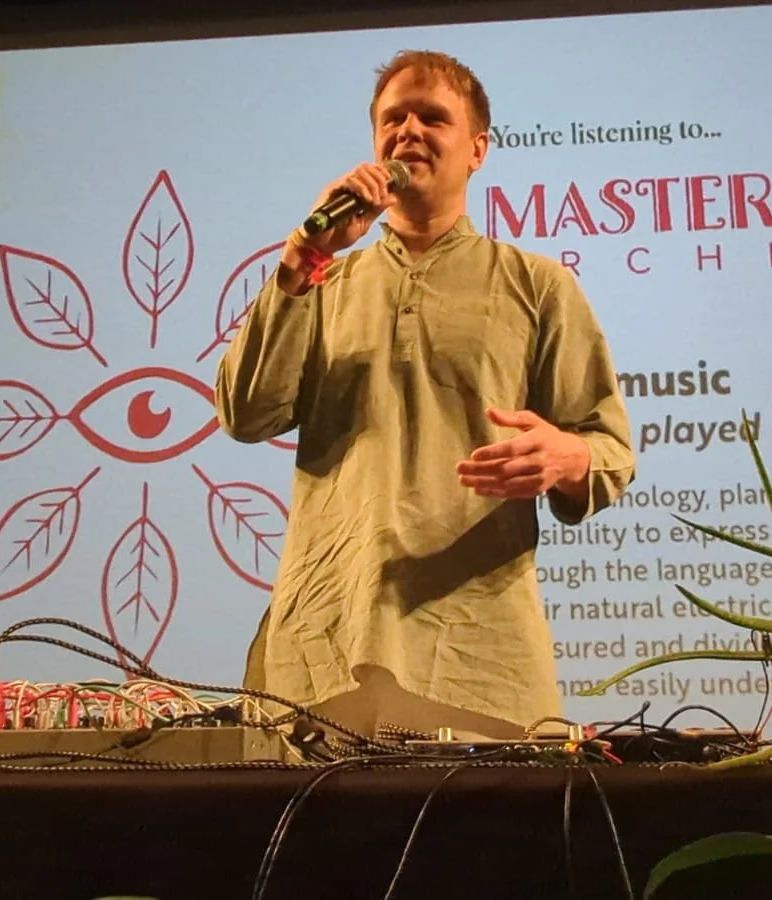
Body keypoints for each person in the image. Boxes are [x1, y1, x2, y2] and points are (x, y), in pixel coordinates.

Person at [215, 49, 635, 741]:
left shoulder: (536, 284)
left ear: (477, 150)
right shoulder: (322, 283)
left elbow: (610, 448)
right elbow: (245, 413)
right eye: (393, 119)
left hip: (479, 654)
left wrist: (566, 457)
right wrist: (304, 256)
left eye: (432, 117)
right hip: (325, 644)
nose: (408, 130)